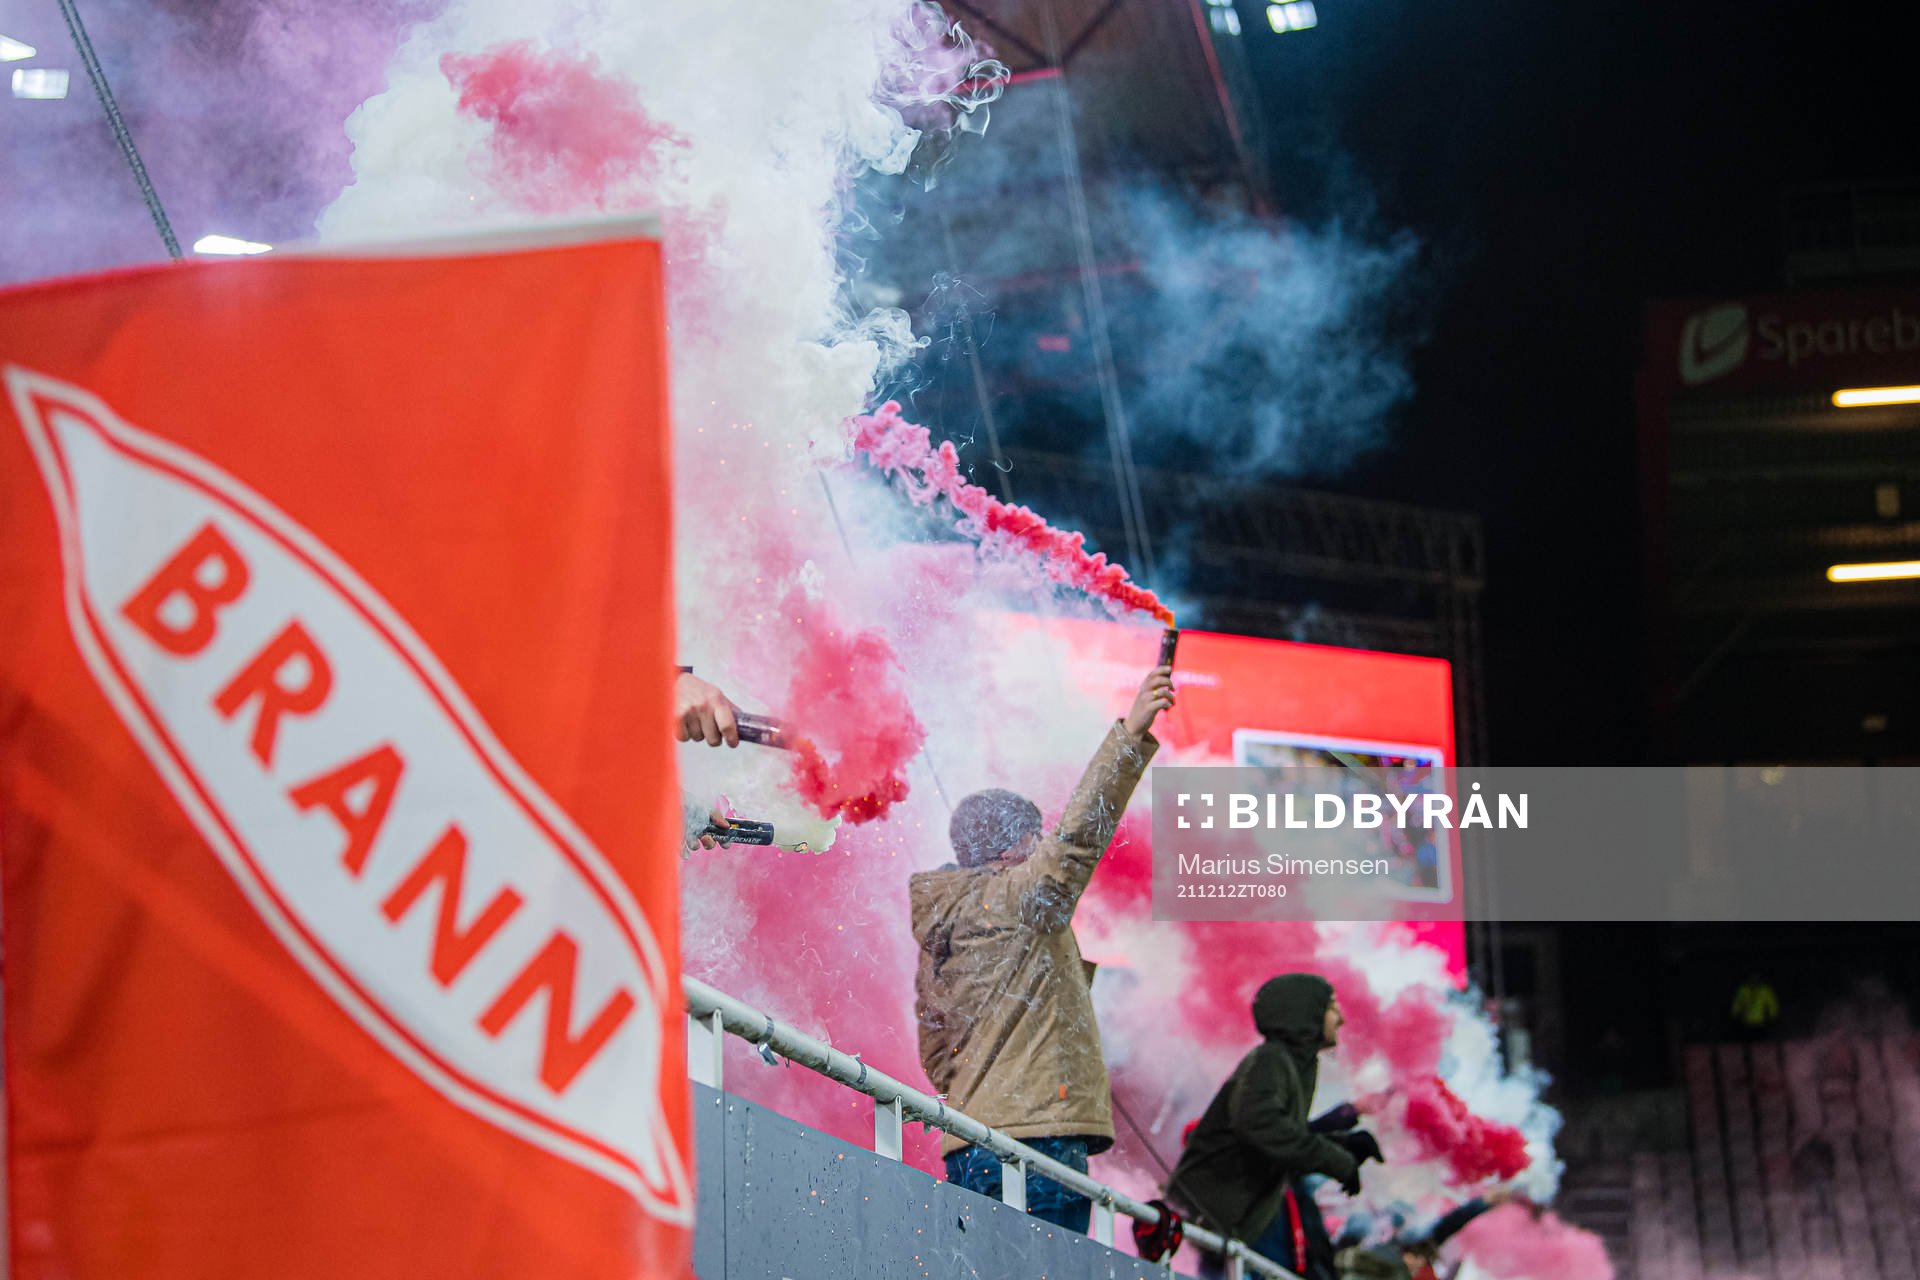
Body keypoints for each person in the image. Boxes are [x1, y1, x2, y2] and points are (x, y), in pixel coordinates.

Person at [911, 663, 1176, 1232]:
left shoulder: (945, 924)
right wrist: (1131, 732)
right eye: (1035, 837)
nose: (1043, 847)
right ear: (1013, 848)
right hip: (1037, 1146)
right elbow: (1081, 836)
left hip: (971, 1146)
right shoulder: (1017, 899)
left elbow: (935, 1054)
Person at [1167, 974, 1381, 1280]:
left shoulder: (1292, 1065)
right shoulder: (1271, 1060)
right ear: (1305, 1012)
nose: (1342, 1019)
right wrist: (1335, 1158)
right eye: (1332, 1008)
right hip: (1203, 1228)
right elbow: (1262, 1127)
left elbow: (1284, 1136)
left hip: (1221, 1231)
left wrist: (1343, 1144)